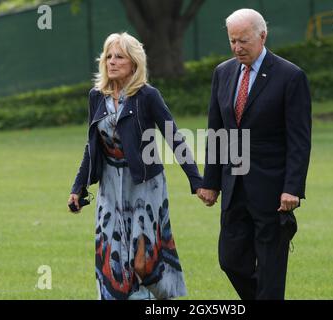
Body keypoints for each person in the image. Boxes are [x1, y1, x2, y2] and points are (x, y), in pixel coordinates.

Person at [68, 32, 202, 300]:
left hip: (144, 186)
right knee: (113, 259)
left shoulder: (147, 96)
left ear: (134, 63)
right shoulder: (97, 96)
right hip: (109, 187)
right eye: (108, 56)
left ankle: (164, 296)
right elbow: (90, 146)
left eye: (119, 56)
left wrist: (196, 180)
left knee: (143, 263)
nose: (112, 62)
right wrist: (77, 188)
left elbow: (174, 137)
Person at [197, 9, 311, 300]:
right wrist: (210, 182)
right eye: (232, 41)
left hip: (273, 192)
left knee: (271, 268)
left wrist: (292, 188)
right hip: (233, 188)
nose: (237, 47)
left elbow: (299, 139)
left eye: (243, 40)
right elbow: (216, 132)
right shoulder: (222, 73)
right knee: (231, 261)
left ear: (263, 36)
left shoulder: (290, 76)